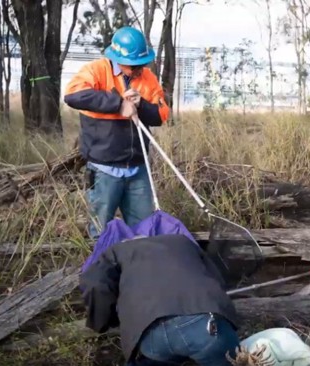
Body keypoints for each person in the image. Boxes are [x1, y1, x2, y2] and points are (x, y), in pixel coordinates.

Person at [64, 26, 170, 239]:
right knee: (101, 231)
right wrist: (117, 104)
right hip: (104, 170)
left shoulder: (147, 78)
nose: (139, 70)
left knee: (144, 231)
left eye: (142, 64)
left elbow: (161, 114)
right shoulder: (96, 71)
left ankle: (139, 269)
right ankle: (102, 267)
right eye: (133, 66)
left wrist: (142, 106)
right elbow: (72, 95)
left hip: (138, 168)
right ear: (117, 59)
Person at [79, 234, 241, 366]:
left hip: (150, 334)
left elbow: (94, 284)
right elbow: (217, 279)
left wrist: (101, 322)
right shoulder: (182, 241)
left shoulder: (116, 251)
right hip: (205, 325)